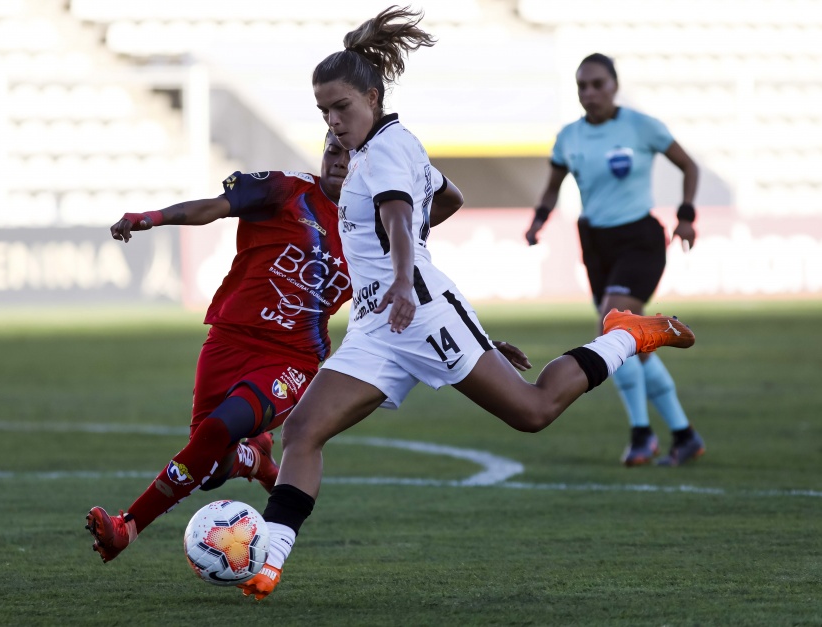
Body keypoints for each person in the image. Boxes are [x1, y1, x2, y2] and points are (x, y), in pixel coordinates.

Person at [238, 7, 696, 601]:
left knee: (532, 412)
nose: (332, 121)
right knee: (303, 430)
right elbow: (447, 197)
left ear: (373, 96)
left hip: (415, 312)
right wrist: (434, 295)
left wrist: (406, 278)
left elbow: (402, 215)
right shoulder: (385, 149)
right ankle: (268, 563)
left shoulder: (387, 150)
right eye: (323, 111)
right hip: (381, 325)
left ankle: (627, 334)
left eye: (341, 107)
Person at [85, 131, 468, 562]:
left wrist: (412, 162)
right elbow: (213, 207)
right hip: (228, 339)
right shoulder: (287, 189)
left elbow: (449, 203)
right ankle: (255, 461)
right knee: (209, 469)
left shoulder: (373, 225)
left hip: (293, 359)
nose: (339, 160)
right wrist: (152, 218)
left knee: (215, 432)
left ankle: (127, 527)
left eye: (350, 155)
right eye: (332, 150)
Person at [526, 53, 705, 468]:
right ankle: (684, 434)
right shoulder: (568, 136)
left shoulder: (641, 126)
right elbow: (553, 186)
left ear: (614, 85)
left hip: (639, 237)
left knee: (614, 329)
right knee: (633, 345)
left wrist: (686, 217)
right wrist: (538, 220)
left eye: (597, 84)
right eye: (582, 86)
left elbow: (688, 165)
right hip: (595, 242)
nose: (589, 93)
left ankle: (642, 436)